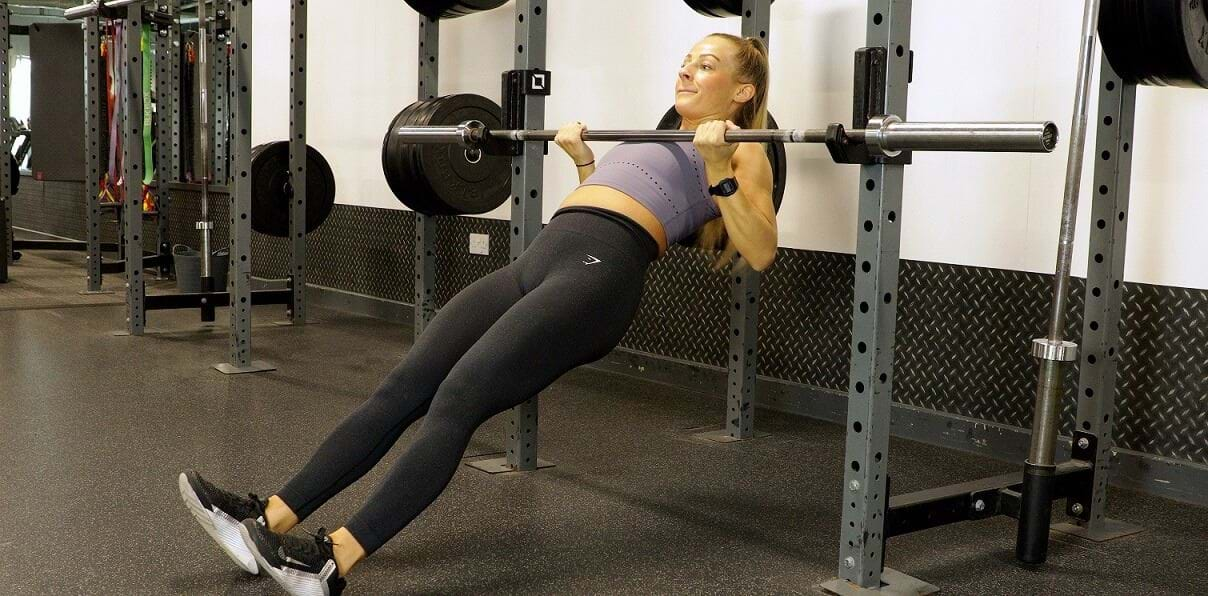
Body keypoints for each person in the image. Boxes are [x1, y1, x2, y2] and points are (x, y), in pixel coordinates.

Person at [178, 33, 777, 596]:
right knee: (406, 385)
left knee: (458, 400)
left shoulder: (743, 150)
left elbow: (760, 248)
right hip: (544, 256)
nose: (686, 70)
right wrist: (583, 161)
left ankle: (332, 562)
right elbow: (621, 196)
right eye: (686, 60)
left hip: (600, 276)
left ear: (742, 91)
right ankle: (270, 520)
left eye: (705, 64)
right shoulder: (661, 134)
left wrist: (721, 168)